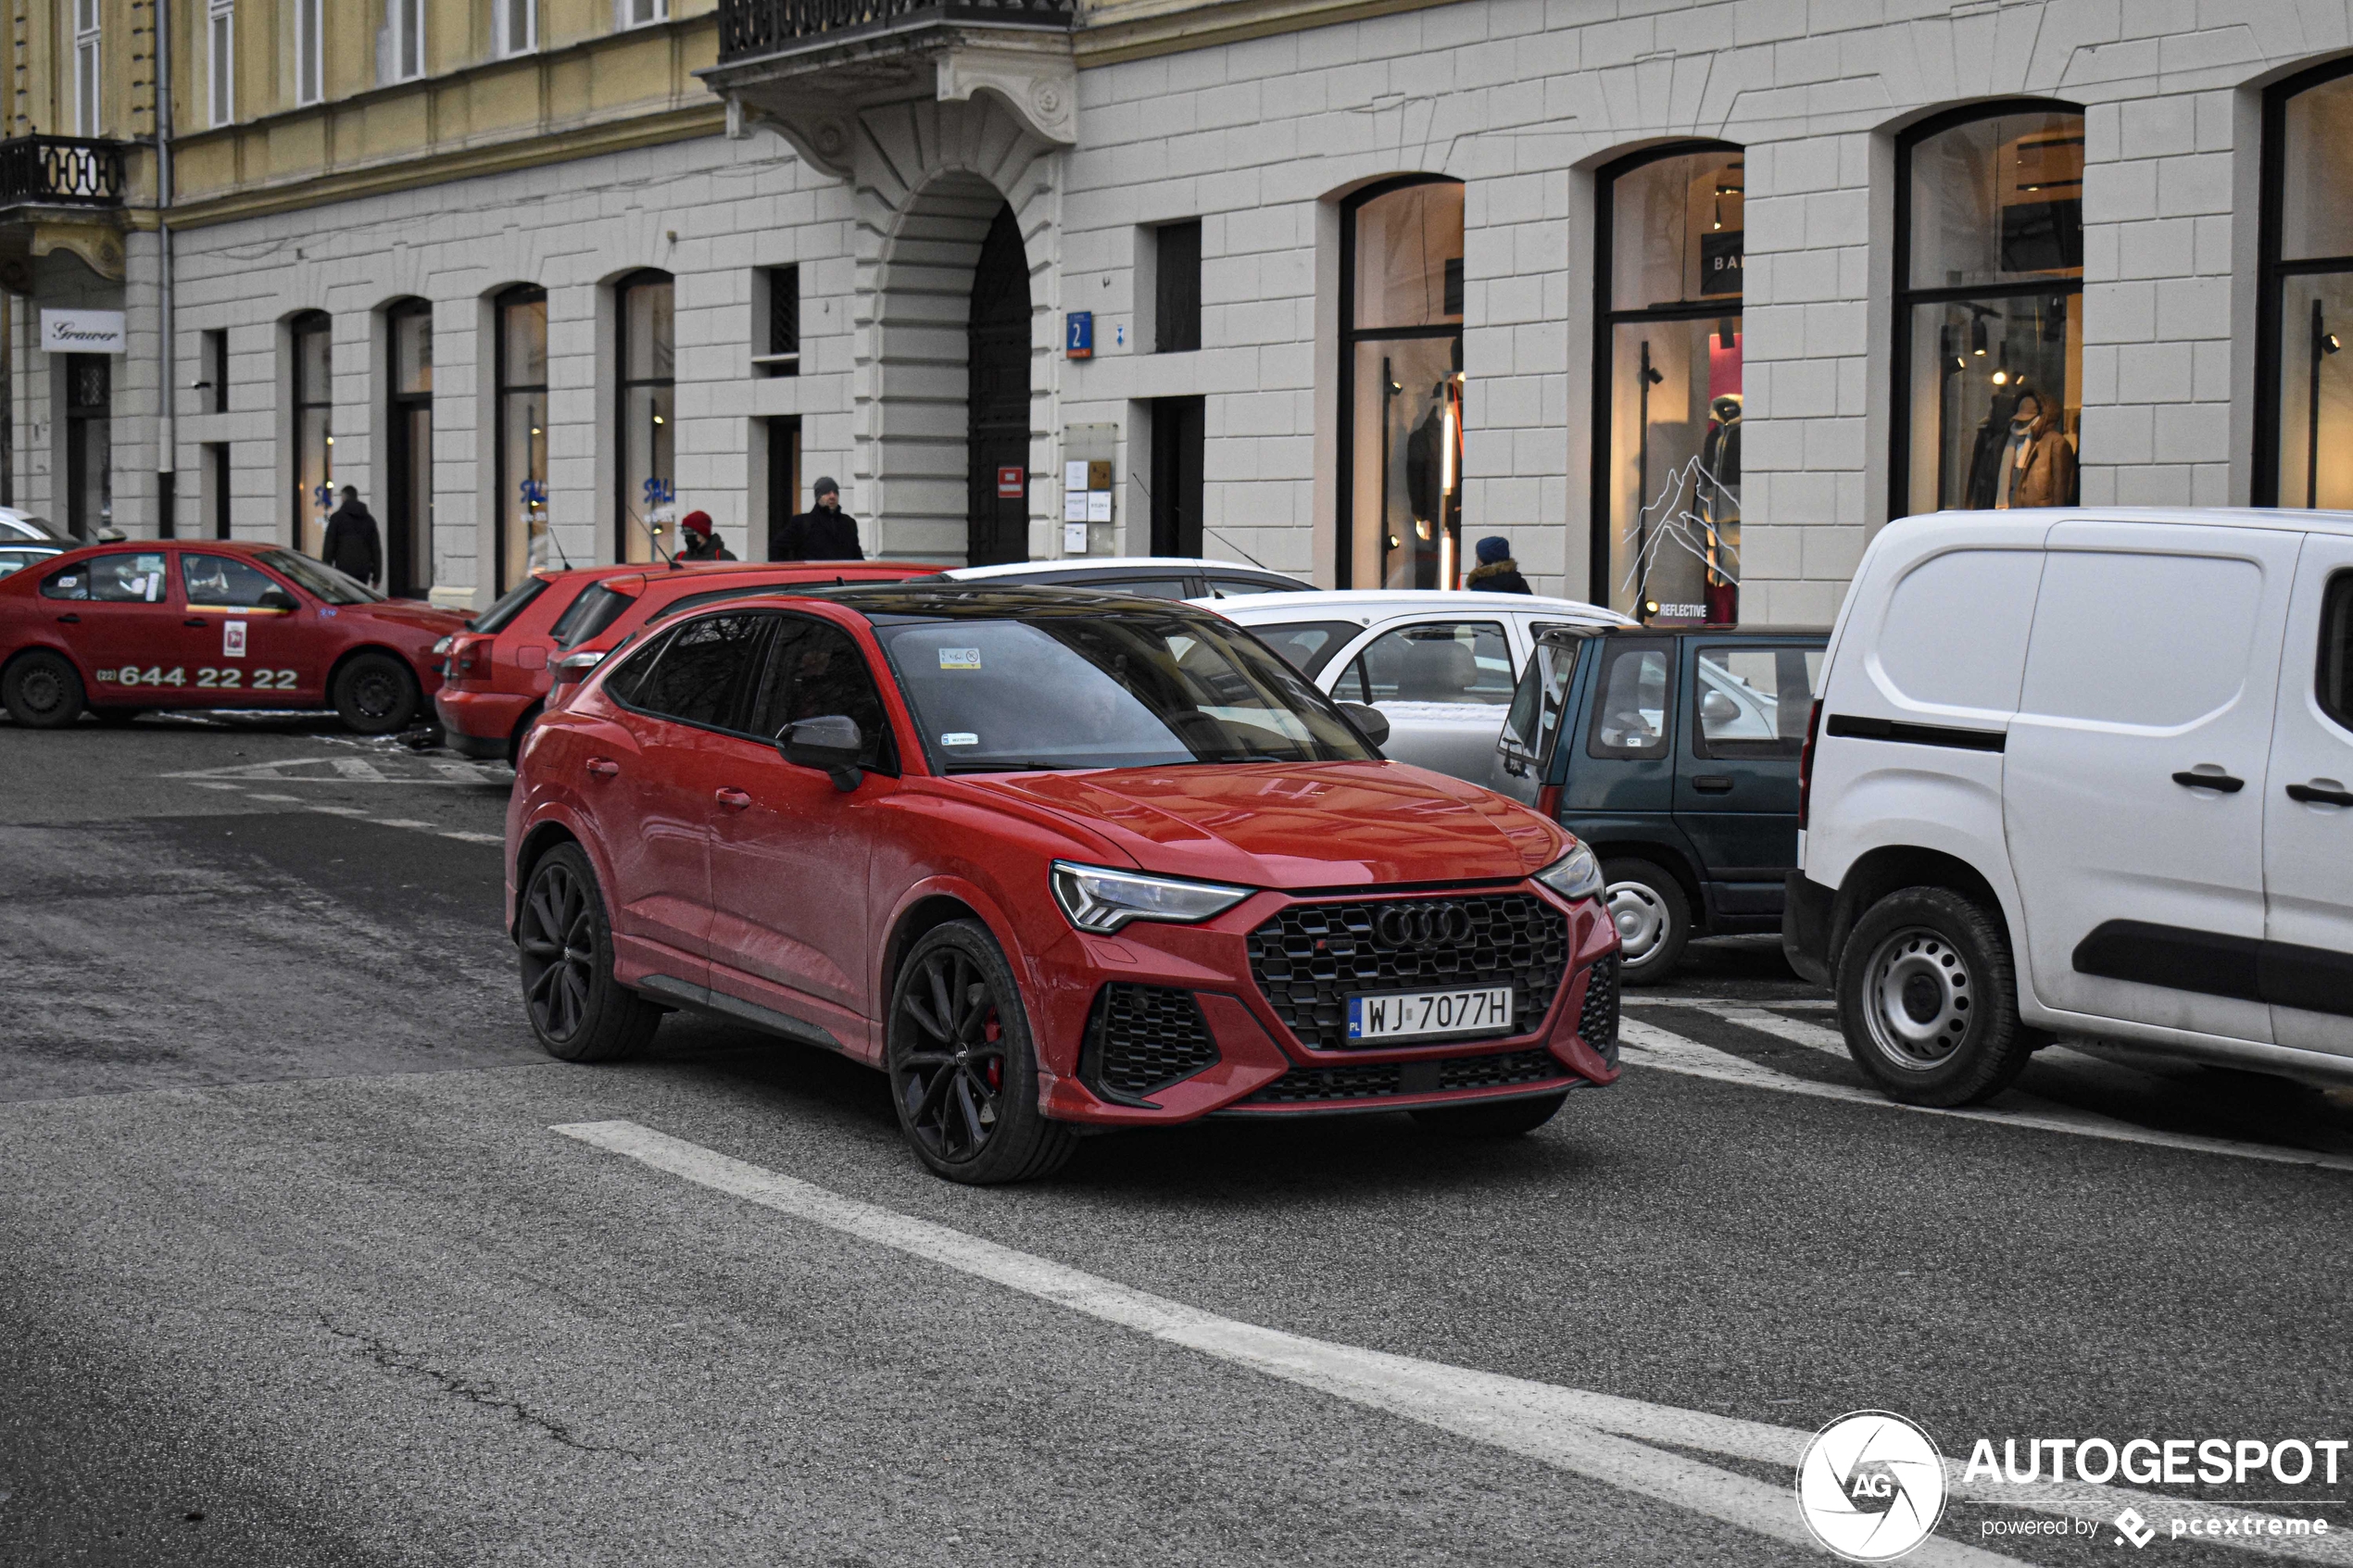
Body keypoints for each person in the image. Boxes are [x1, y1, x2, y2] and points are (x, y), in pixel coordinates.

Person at [773, 477, 863, 561]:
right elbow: (777, 548)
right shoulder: (801, 523)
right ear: (818, 497)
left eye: (835, 492)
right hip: (813, 577)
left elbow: (857, 557)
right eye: (827, 492)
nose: (832, 496)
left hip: (842, 577)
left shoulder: (849, 523)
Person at [321, 485, 381, 588]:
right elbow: (376, 549)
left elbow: (329, 548)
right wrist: (377, 577)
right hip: (363, 570)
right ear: (356, 497)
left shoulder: (337, 518)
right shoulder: (369, 520)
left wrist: (326, 573)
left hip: (343, 569)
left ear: (343, 498)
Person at [1465, 535, 1532, 595]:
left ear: (1485, 560)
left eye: (1478, 556)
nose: (1477, 560)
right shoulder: (1520, 583)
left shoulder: (1480, 586)